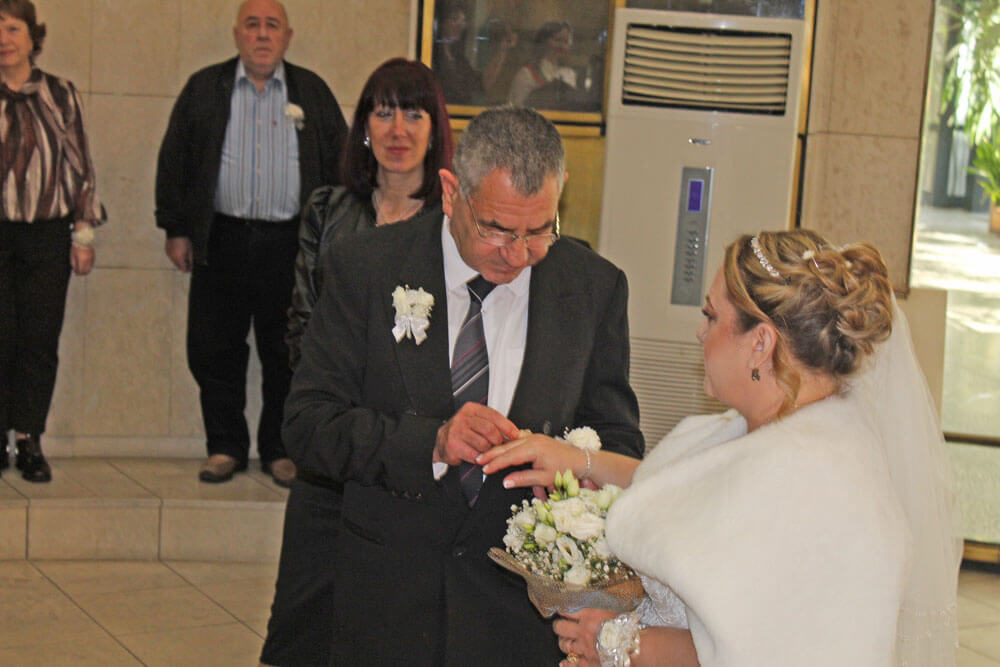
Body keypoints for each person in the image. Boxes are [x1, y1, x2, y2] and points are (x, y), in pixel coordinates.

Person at [481, 230, 962, 666]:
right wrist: (578, 460)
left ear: (761, 343)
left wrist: (615, 641)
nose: (700, 332)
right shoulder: (765, 429)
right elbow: (682, 483)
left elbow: (762, 648)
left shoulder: (815, 479)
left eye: (712, 316)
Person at [282, 106, 645, 665]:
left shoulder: (593, 288)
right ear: (452, 194)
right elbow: (308, 426)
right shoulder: (367, 268)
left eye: (539, 230)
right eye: (496, 229)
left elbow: (617, 441)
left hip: (521, 622)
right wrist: (429, 442)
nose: (518, 254)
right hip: (389, 603)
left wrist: (573, 470)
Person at [259, 57, 454, 667]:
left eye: (414, 114)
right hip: (331, 443)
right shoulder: (328, 207)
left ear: (434, 129)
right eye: (384, 111)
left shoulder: (451, 224)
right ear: (364, 125)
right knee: (302, 621)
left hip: (407, 448)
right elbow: (301, 322)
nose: (398, 129)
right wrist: (336, 404)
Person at [154, 0, 347, 487]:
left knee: (287, 352)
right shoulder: (205, 88)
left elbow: (340, 166)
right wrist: (175, 229)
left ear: (287, 37)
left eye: (272, 26)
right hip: (219, 239)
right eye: (253, 25)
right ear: (237, 34)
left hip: (291, 245)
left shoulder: (312, 92)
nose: (262, 34)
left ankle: (280, 450)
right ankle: (224, 446)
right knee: (213, 348)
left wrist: (331, 239)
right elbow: (174, 159)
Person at [0, 0, 106, 483]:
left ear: (32, 36)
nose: (4, 38)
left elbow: (80, 165)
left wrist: (83, 235)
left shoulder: (60, 94)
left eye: (13, 28)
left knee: (38, 340)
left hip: (46, 235)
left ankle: (29, 439)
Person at [508, 21, 578, 108]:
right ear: (543, 42)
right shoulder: (526, 74)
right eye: (557, 40)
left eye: (566, 42)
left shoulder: (570, 74)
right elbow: (516, 108)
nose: (561, 46)